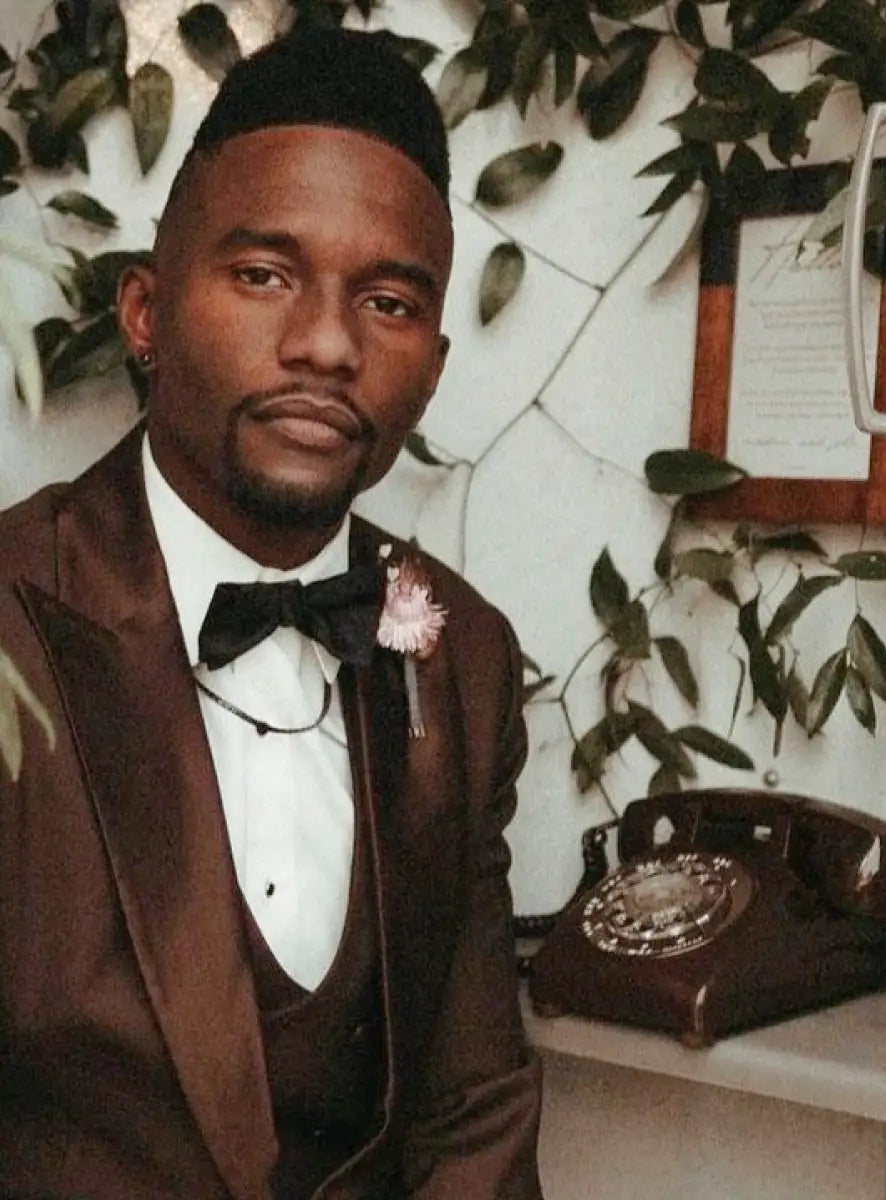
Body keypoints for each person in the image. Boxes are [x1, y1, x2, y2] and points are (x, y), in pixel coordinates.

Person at [0, 26, 543, 1200]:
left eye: (389, 301)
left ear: (435, 366)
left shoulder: (466, 655)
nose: (327, 345)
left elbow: (474, 1112)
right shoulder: (8, 619)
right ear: (144, 309)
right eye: (263, 275)